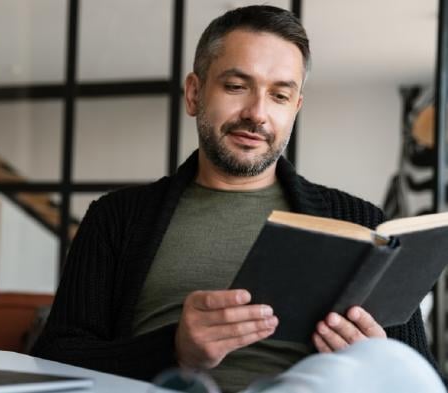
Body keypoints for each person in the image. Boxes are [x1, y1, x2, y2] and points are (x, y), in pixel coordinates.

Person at [31, 5, 445, 393]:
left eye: (279, 96)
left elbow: (417, 373)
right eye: (235, 86)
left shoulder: (360, 221)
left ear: (295, 108)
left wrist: (374, 352)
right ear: (194, 94)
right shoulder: (117, 218)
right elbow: (54, 360)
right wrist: (175, 348)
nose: (257, 113)